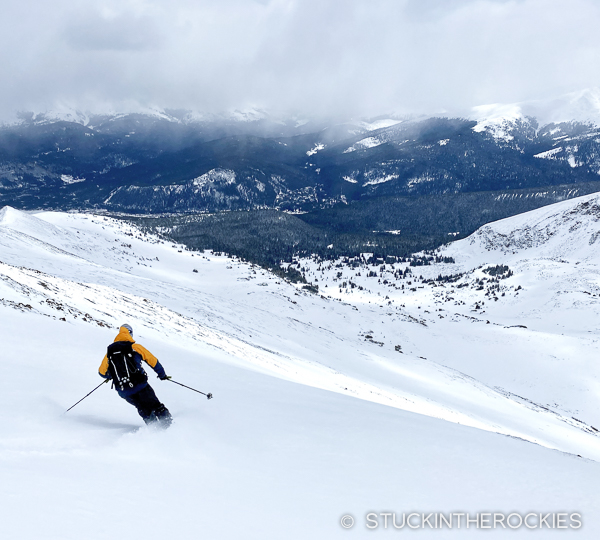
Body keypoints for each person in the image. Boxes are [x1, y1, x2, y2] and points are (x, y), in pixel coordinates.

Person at [99, 324, 172, 427]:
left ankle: (154, 430)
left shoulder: (110, 352)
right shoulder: (135, 347)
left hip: (123, 390)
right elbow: (153, 361)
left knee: (142, 408)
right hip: (140, 385)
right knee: (156, 406)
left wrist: (111, 375)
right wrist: (162, 375)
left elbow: (102, 372)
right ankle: (169, 426)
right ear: (130, 333)